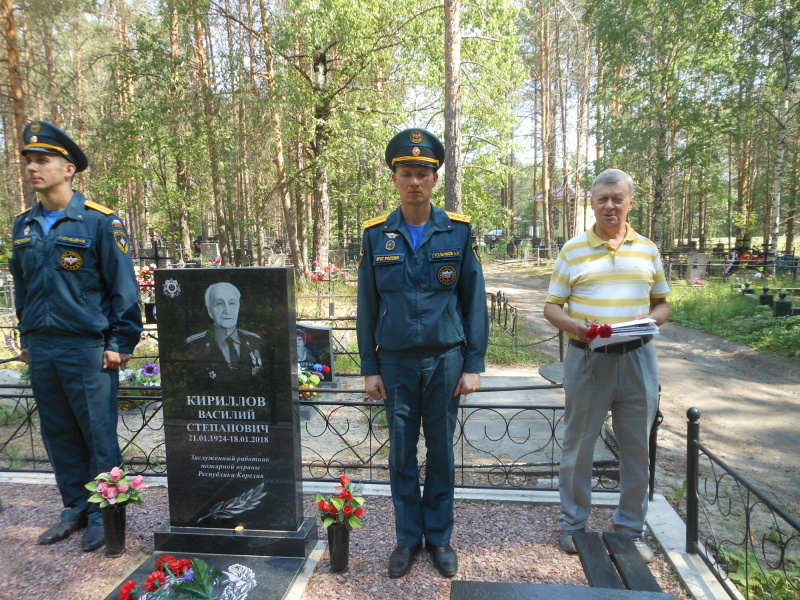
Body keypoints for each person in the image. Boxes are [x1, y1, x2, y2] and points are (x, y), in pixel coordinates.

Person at [357, 128, 489, 579]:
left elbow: (474, 301)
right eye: (407, 173)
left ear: (434, 180)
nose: (415, 181)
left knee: (441, 453)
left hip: (445, 360)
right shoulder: (376, 237)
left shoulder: (458, 231)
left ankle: (440, 538)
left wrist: (473, 363)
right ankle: (407, 539)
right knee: (400, 455)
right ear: (395, 178)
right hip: (394, 362)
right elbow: (366, 306)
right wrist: (369, 368)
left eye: (423, 174)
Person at [10, 120, 143, 551]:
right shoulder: (24, 226)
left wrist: (119, 344)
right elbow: (23, 286)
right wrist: (25, 337)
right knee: (58, 432)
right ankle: (76, 509)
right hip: (43, 346)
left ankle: (108, 513)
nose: (33, 168)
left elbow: (123, 288)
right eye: (28, 160)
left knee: (98, 434)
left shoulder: (99, 222)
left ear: (68, 169)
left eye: (42, 160)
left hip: (87, 347)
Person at [543, 168, 670, 563]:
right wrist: (575, 327)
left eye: (617, 198)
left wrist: (654, 321)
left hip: (638, 360)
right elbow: (550, 307)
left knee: (637, 448)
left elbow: (662, 302)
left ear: (630, 202)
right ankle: (573, 526)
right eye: (602, 199)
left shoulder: (647, 249)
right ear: (592, 205)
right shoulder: (573, 250)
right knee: (578, 446)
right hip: (588, 360)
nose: (610, 206)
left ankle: (630, 530)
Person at [185, 282, 263, 381]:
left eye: (232, 303)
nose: (227, 310)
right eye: (219, 304)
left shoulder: (255, 341)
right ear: (210, 311)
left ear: (238, 307)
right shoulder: (194, 344)